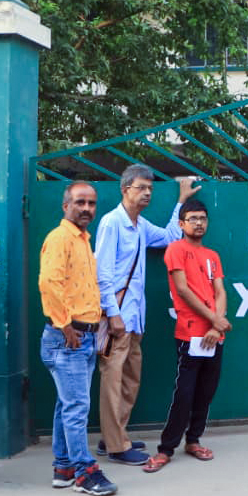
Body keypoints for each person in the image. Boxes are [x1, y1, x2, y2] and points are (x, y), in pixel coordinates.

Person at [95, 166, 195, 466]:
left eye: (150, 188)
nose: (147, 193)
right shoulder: (112, 223)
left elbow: (168, 237)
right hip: (118, 318)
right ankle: (116, 445)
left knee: (130, 380)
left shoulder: (139, 225)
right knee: (113, 380)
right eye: (141, 188)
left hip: (135, 317)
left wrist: (181, 201)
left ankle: (115, 435)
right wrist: (112, 314)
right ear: (125, 189)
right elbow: (102, 272)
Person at [38, 181, 118, 496]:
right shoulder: (60, 238)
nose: (87, 209)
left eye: (91, 204)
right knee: (76, 407)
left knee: (66, 405)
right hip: (66, 339)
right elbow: (49, 283)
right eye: (80, 202)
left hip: (82, 337)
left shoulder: (83, 239)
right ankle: (85, 472)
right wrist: (65, 325)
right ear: (66, 206)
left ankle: (64, 468)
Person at [143, 198, 230, 474]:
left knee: (206, 392)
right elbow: (182, 290)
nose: (199, 223)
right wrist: (214, 318)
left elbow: (220, 292)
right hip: (190, 334)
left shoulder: (213, 256)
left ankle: (193, 441)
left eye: (203, 218)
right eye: (193, 219)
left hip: (215, 337)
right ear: (181, 224)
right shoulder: (176, 250)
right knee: (185, 393)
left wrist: (216, 327)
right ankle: (166, 449)